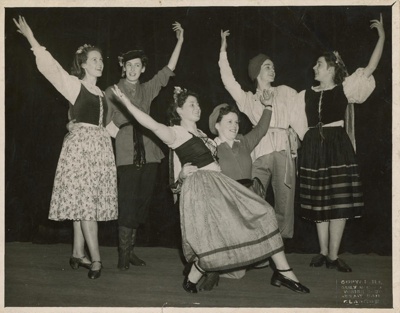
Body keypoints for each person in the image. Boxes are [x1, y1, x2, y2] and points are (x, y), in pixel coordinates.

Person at [111, 85, 310, 294]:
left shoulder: (202, 134)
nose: (197, 108)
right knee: (219, 235)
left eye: (197, 104)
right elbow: (150, 124)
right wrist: (127, 103)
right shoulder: (175, 133)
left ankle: (281, 271)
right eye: (191, 105)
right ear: (179, 111)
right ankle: (281, 271)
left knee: (261, 215)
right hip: (203, 188)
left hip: (219, 183)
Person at [14, 16, 118, 279]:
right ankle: (96, 261)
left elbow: (107, 125)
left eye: (101, 59)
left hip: (99, 150)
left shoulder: (102, 95)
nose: (100, 63)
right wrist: (31, 39)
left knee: (83, 203)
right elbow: (52, 69)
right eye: (95, 59)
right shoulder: (75, 85)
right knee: (86, 207)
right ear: (83, 64)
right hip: (81, 150)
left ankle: (76, 253)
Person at [296, 14, 385, 272]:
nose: (314, 68)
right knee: (319, 202)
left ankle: (334, 256)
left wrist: (381, 37)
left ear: (332, 68)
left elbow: (370, 68)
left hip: (337, 145)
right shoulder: (306, 94)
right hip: (314, 146)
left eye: (319, 65)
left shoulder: (345, 88)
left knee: (338, 202)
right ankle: (323, 252)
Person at [104, 22, 184, 270]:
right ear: (123, 67)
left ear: (142, 68)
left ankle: (131, 250)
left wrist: (180, 41)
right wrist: (124, 136)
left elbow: (168, 70)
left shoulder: (147, 89)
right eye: (129, 65)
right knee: (127, 201)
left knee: (141, 202)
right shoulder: (112, 91)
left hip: (149, 151)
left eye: (137, 65)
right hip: (128, 152)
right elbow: (106, 124)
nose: (133, 69)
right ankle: (123, 254)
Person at [177, 102, 273, 290]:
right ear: (217, 125)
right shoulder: (211, 147)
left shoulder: (243, 141)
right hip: (224, 200)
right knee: (236, 270)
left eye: (236, 122)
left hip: (248, 198)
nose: (234, 125)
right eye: (229, 121)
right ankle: (209, 267)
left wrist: (268, 105)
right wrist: (182, 174)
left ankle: (215, 267)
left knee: (243, 266)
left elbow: (261, 129)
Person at [218, 30, 305, 239]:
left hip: (284, 149)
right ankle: (256, 243)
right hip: (260, 150)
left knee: (285, 203)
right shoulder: (248, 99)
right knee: (254, 199)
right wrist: (223, 50)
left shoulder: (286, 91)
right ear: (257, 72)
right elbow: (228, 81)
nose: (272, 69)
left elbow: (299, 121)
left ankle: (280, 251)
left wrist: (299, 139)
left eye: (273, 66)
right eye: (267, 66)